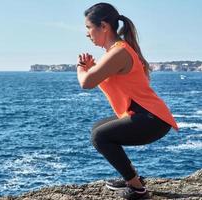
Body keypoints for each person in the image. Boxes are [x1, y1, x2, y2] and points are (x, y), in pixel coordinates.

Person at [76, 2, 178, 200]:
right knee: (99, 127)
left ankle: (138, 190)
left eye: (89, 27)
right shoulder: (116, 51)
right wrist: (91, 68)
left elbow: (87, 82)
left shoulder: (119, 52)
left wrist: (81, 68)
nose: (87, 33)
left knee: (100, 136)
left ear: (104, 26)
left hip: (152, 119)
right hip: (147, 116)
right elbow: (104, 79)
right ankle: (133, 178)